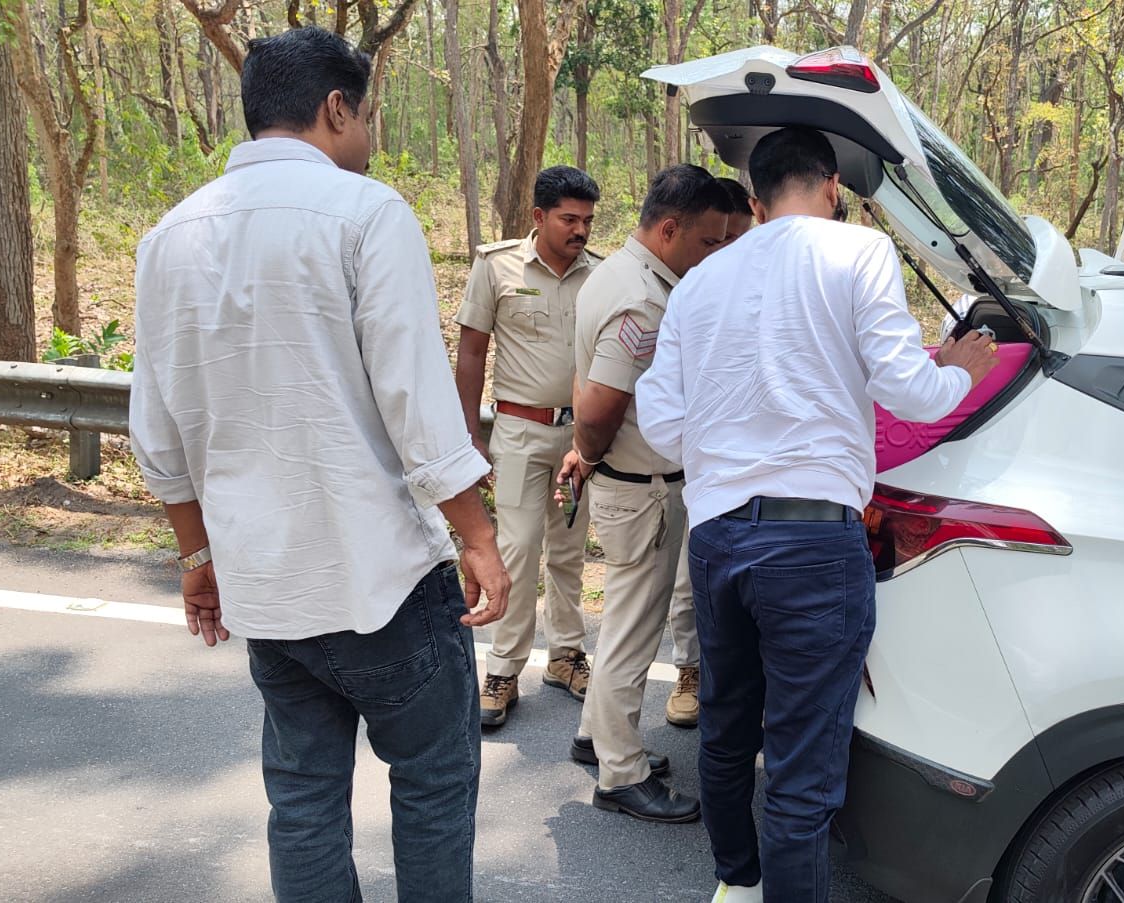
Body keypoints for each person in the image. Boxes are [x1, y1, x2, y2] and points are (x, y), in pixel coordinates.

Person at [128, 27, 509, 902]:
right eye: (366, 115)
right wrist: (478, 536)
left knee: (302, 800)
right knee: (432, 786)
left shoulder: (168, 237)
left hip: (268, 591)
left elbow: (158, 433)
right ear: (337, 108)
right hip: (383, 582)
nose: (368, 134)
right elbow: (418, 403)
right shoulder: (366, 213)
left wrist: (196, 558)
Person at [636, 127, 998, 901]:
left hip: (719, 535)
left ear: (757, 199)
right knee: (801, 763)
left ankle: (736, 883)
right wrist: (960, 371)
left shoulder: (700, 280)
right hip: (812, 542)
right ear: (832, 187)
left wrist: (728, 438)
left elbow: (661, 422)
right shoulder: (859, 252)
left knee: (726, 727)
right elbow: (906, 389)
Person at [558, 164, 736, 822]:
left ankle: (595, 735)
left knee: (622, 624)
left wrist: (589, 454)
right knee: (634, 633)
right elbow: (600, 406)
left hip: (630, 482)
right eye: (707, 241)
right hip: (644, 491)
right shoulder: (645, 301)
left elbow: (589, 383)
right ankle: (621, 772)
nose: (713, 255)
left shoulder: (617, 272)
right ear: (668, 229)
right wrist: (588, 451)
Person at [456, 166, 603, 727]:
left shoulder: (601, 274)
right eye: (569, 219)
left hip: (580, 436)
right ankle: (503, 668)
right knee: (516, 549)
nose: (580, 230)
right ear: (539, 217)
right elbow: (472, 352)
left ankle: (566, 656)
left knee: (568, 550)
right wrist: (468, 433)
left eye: (587, 220)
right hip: (518, 433)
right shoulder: (497, 267)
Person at [662, 176, 756, 731]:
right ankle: (689, 672)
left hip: (745, 475)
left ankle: (733, 686)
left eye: (737, 239)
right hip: (693, 467)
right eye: (718, 240)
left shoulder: (762, 293)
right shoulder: (689, 292)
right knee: (688, 582)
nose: (726, 250)